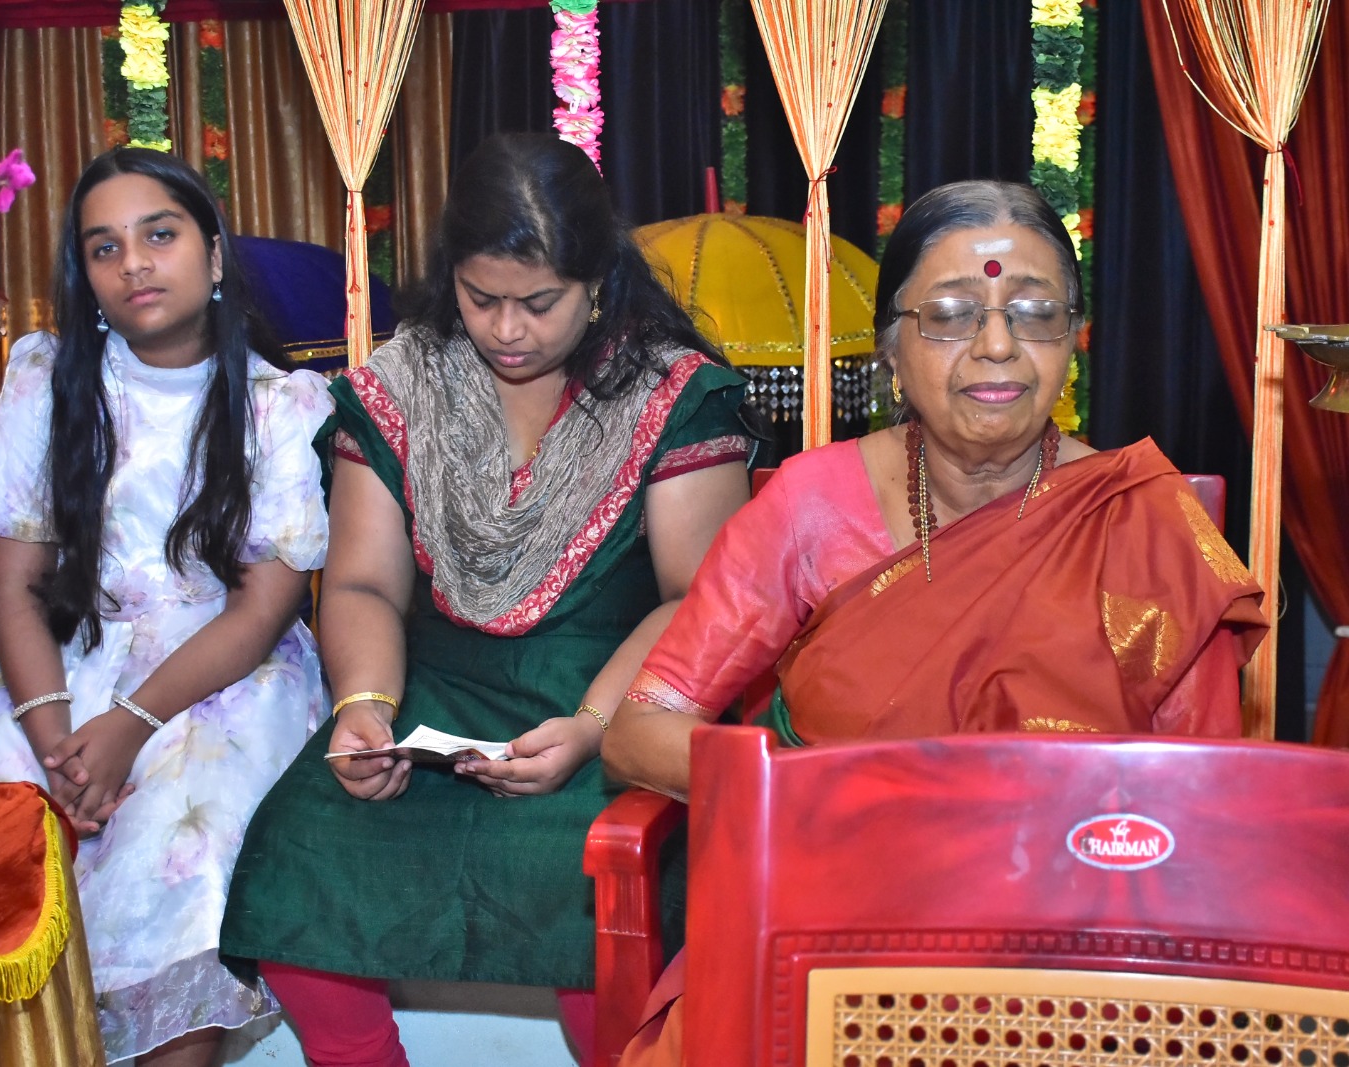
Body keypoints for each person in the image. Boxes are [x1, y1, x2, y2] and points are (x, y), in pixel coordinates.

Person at [602, 179, 1269, 1066]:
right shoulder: (809, 506)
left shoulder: (1143, 526)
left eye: (1034, 312)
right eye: (951, 314)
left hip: (1072, 945)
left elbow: (1204, 805)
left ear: (1073, 336)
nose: (997, 346)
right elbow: (641, 729)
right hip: (829, 919)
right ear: (891, 346)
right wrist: (836, 795)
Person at [219, 132, 753, 1066]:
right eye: (480, 298)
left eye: (539, 303)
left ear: (597, 282)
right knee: (297, 864)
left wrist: (593, 728)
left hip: (616, 693)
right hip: (432, 694)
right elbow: (362, 582)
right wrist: (364, 707)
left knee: (590, 919)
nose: (508, 329)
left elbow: (693, 600)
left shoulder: (671, 394)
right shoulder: (402, 384)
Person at [0, 148, 332, 1067]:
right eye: (104, 247)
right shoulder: (47, 380)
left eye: (159, 235)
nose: (134, 264)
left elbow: (261, 612)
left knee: (187, 853)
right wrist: (55, 747)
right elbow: (14, 587)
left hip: (214, 675)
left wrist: (126, 726)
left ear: (213, 252)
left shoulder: (282, 404)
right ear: (83, 277)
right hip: (50, 661)